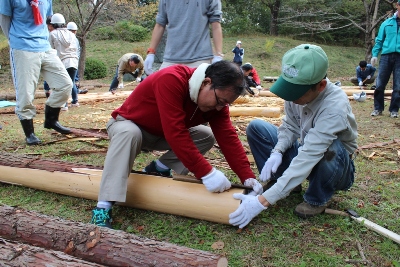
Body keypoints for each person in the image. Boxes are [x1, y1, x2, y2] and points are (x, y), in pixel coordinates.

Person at [90, 61, 263, 228]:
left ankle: (158, 168)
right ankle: (103, 207)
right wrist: (207, 173)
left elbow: (227, 137)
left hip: (160, 133)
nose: (219, 108)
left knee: (205, 135)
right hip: (128, 125)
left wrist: (247, 177)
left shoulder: (218, 100)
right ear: (206, 82)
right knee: (130, 133)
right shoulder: (172, 79)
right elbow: (175, 132)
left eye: (225, 104)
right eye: (219, 101)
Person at [229, 44, 358, 229]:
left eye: (297, 92)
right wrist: (277, 151)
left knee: (331, 148)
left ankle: (317, 198)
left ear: (320, 86)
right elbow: (290, 126)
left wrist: (263, 201)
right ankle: (286, 183)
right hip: (308, 150)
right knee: (257, 127)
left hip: (334, 165)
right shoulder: (295, 96)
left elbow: (310, 154)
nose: (291, 97)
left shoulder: (335, 106)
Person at [0, 0, 73, 146]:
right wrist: (15, 41)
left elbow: (47, 17)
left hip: (44, 46)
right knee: (26, 93)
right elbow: (4, 20)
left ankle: (51, 120)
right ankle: (30, 134)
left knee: (65, 84)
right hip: (22, 47)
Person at [143, 0, 224, 75]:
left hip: (200, 60)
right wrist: (151, 53)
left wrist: (218, 55)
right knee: (160, 88)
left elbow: (216, 24)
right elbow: (160, 24)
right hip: (171, 59)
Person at [370, 2, 400, 118]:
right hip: (386, 56)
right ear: (397, 6)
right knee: (380, 84)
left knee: (398, 86)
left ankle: (394, 110)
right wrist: (374, 54)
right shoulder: (386, 23)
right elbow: (379, 40)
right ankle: (378, 108)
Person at [49, 13, 79, 110]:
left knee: (62, 84)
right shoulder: (71, 34)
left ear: (53, 24)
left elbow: (50, 49)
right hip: (73, 61)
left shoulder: (53, 34)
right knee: (71, 82)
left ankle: (64, 104)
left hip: (62, 62)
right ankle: (75, 101)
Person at [66, 21, 87, 95]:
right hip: (68, 62)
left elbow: (78, 50)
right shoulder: (67, 39)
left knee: (74, 78)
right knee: (70, 80)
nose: (74, 32)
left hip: (72, 61)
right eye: (73, 31)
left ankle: (76, 91)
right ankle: (73, 95)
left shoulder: (75, 40)